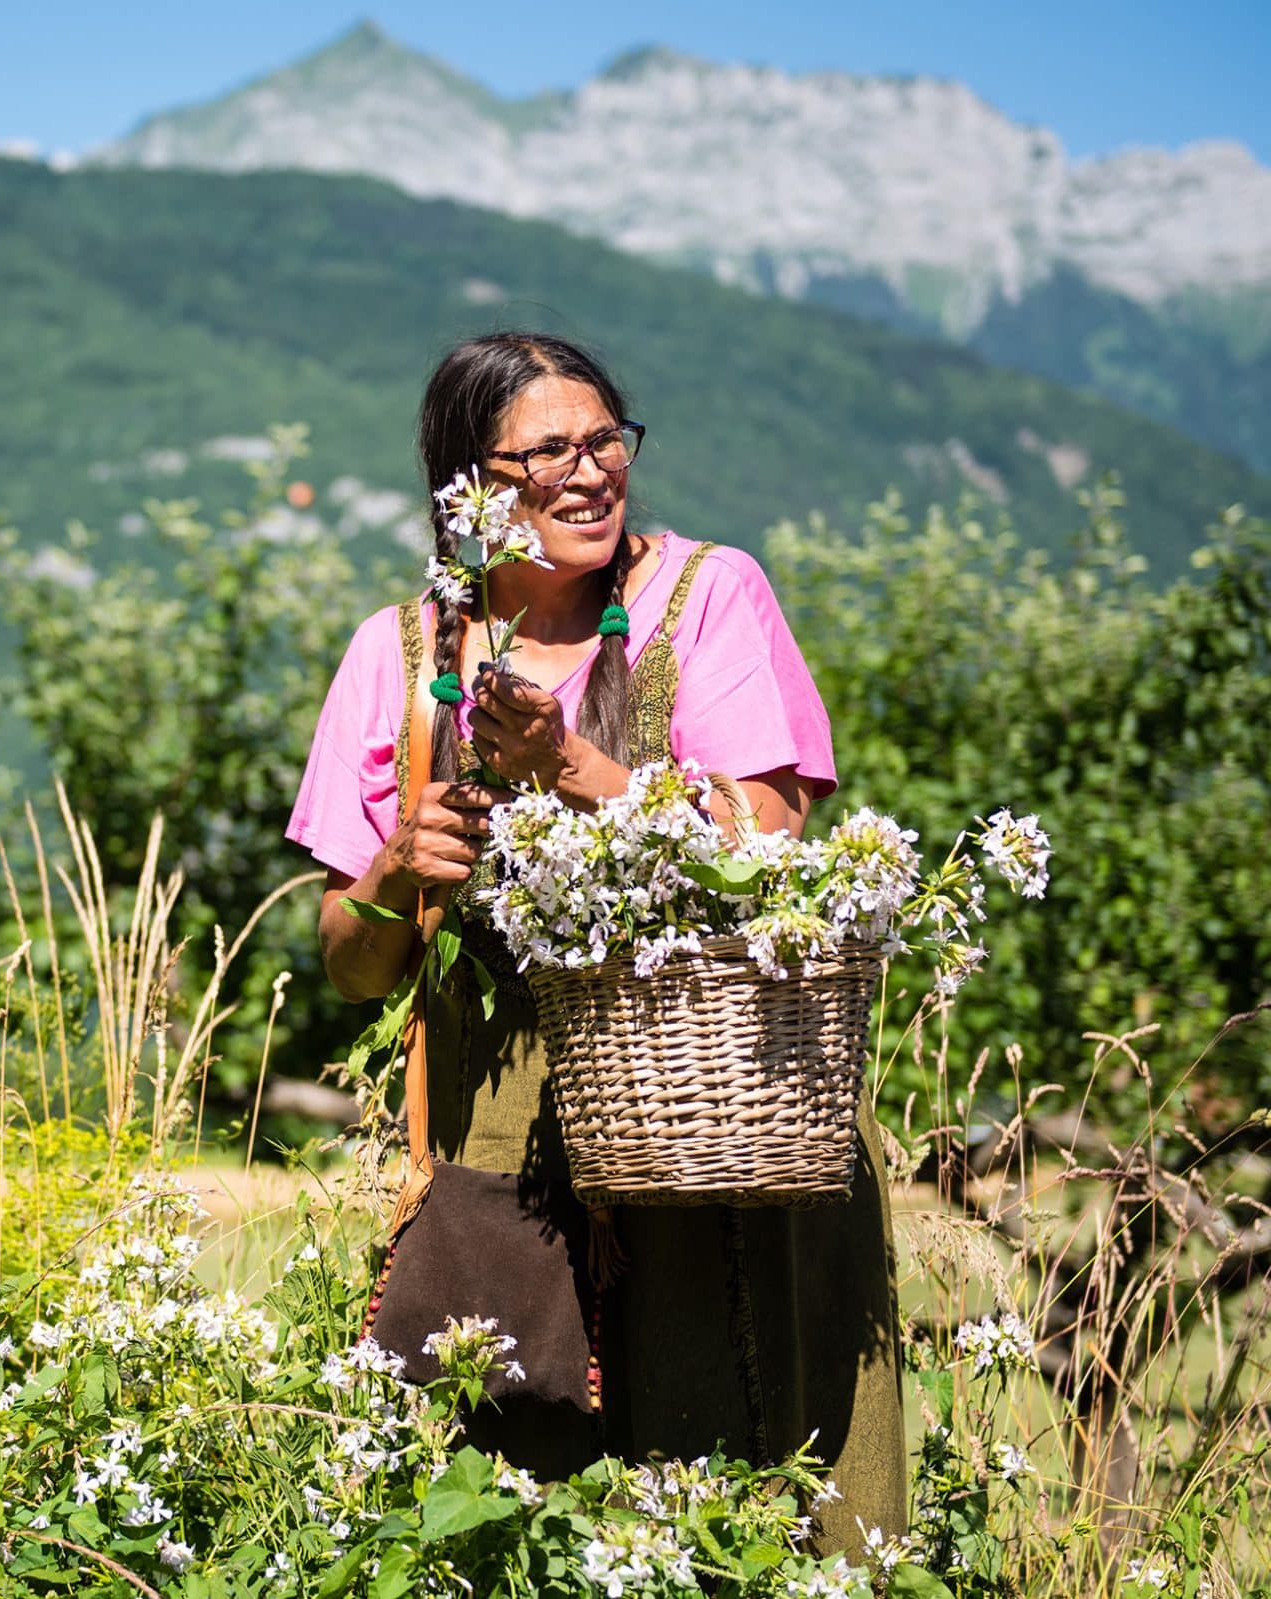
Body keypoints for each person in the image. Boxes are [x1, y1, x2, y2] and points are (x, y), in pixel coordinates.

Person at [284, 331, 906, 1552]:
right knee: (522, 1518)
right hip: (497, 1154)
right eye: (544, 454)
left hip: (720, 1119)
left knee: (750, 1498)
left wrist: (566, 766)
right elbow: (349, 965)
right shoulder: (401, 660)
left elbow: (764, 837)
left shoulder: (707, 596)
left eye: (602, 440)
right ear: (470, 489)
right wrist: (397, 869)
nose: (585, 472)